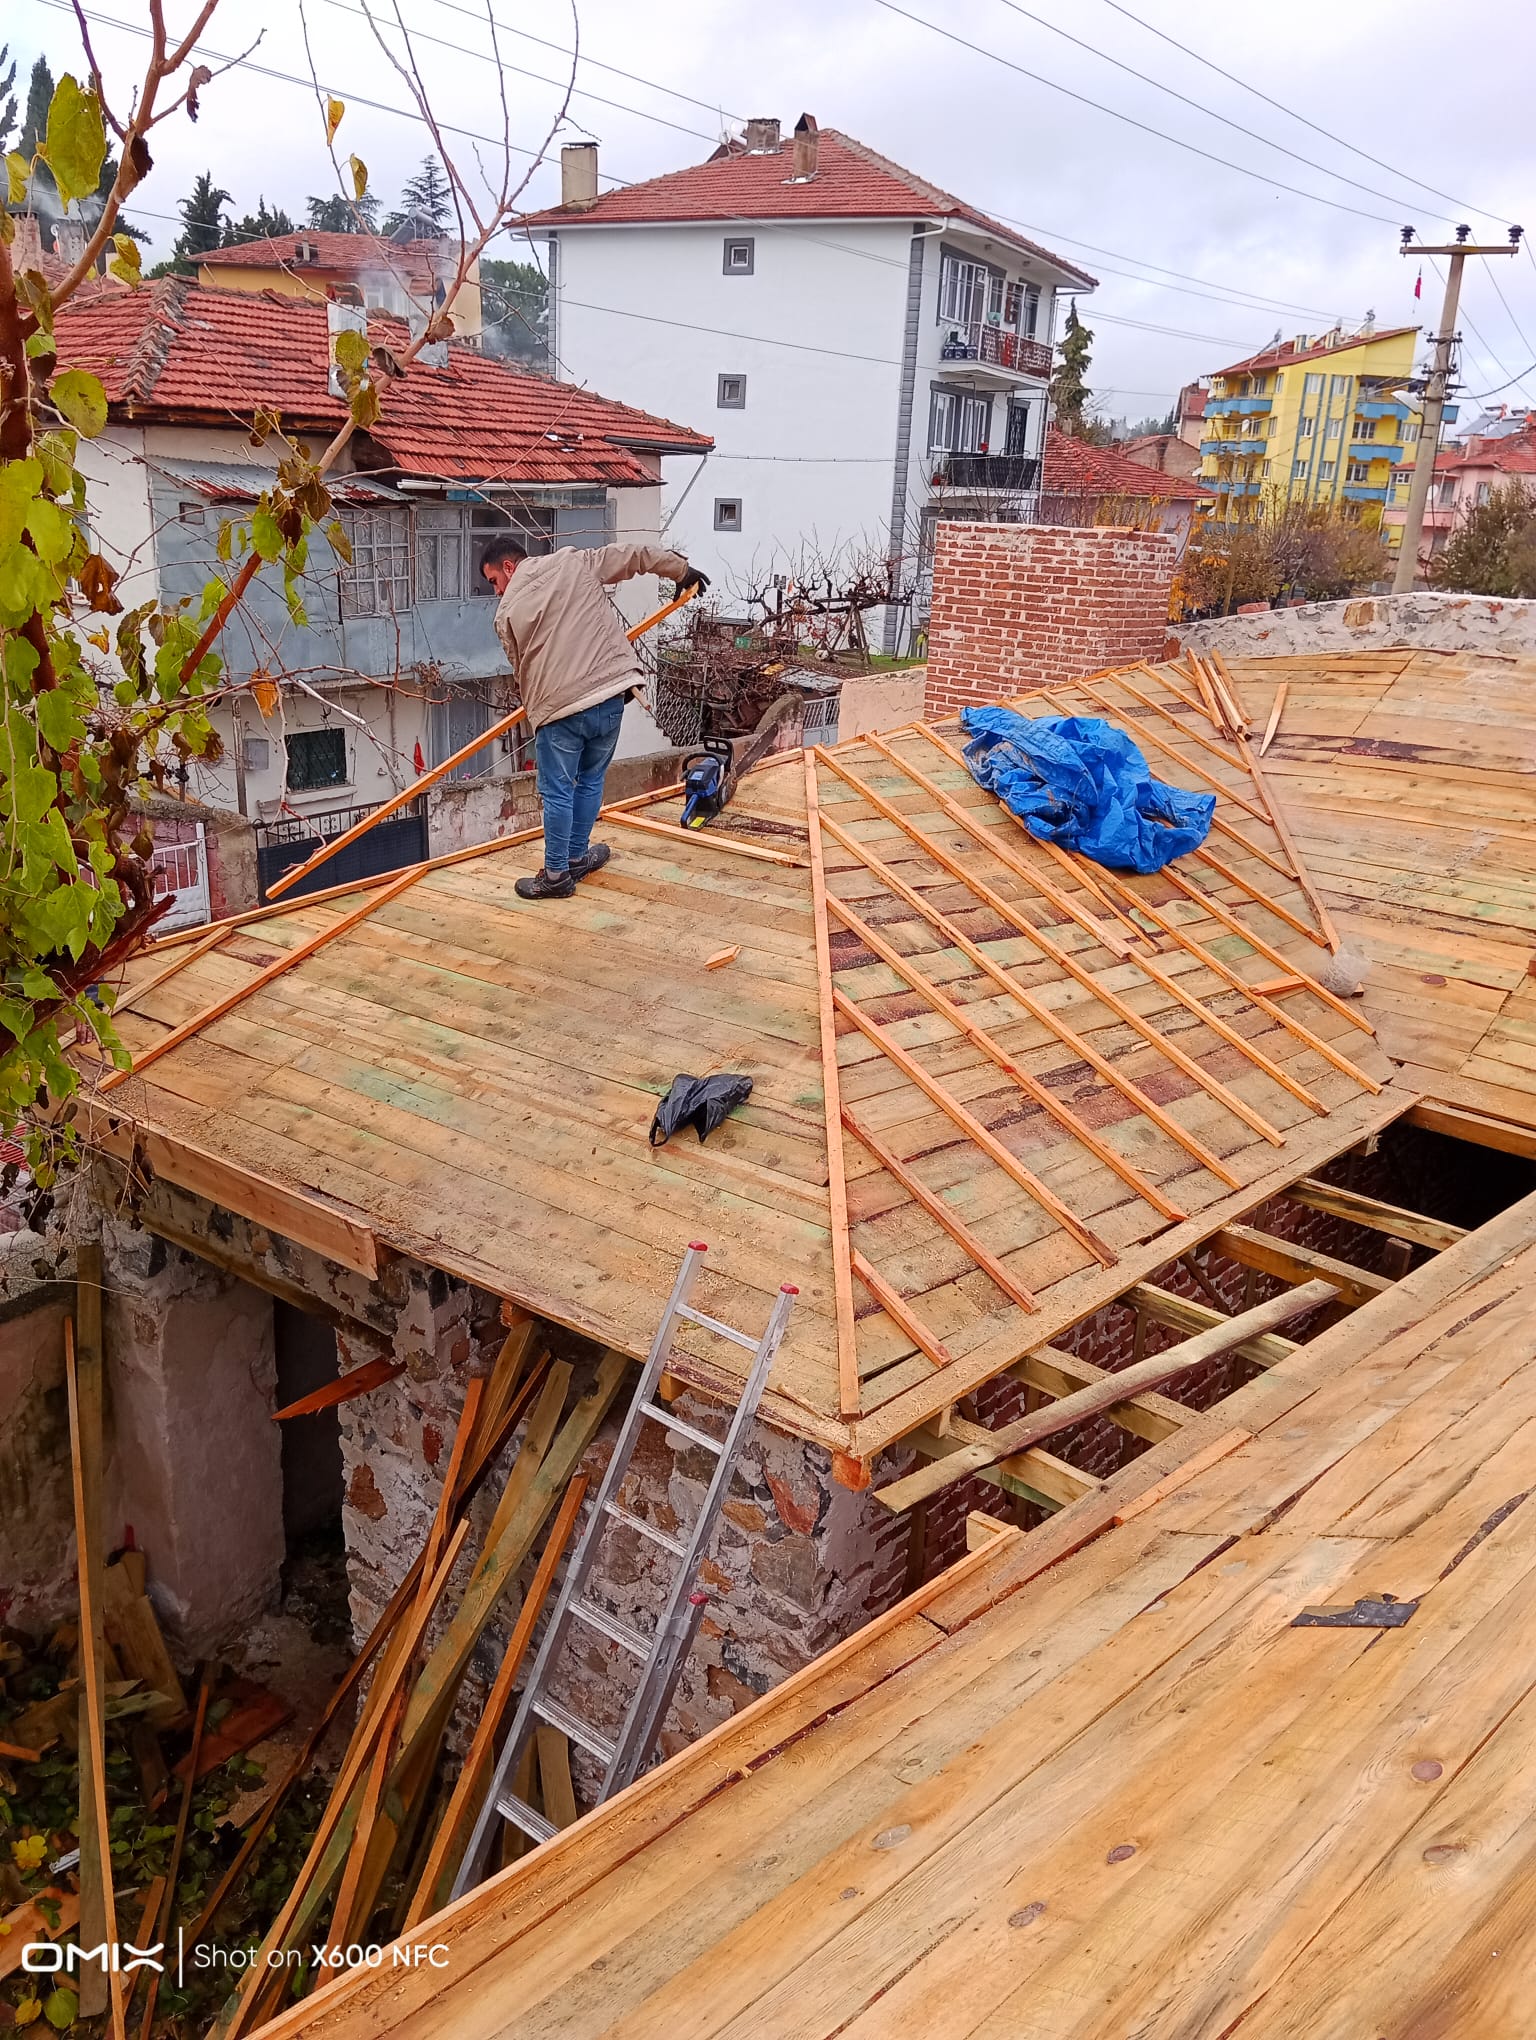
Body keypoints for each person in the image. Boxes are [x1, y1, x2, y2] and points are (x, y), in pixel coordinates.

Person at [481, 535, 709, 900]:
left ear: (508, 567)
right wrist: (680, 571)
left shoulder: (506, 612)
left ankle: (556, 875)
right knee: (590, 781)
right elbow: (633, 555)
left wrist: (539, 704)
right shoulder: (573, 562)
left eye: (494, 580)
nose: (496, 591)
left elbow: (520, 667)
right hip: (611, 693)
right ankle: (575, 858)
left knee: (558, 792)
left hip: (559, 709)